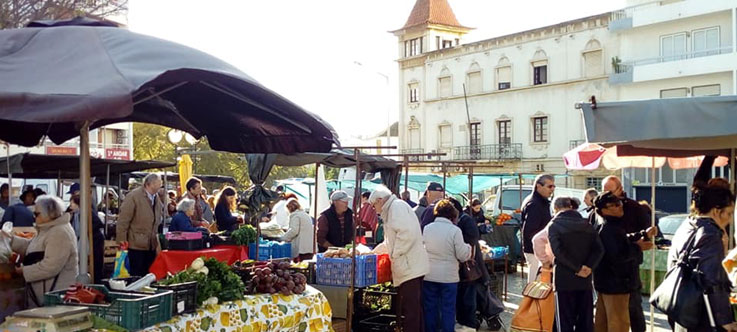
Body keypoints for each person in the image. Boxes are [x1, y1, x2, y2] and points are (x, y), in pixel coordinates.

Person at [667, 182, 737, 332]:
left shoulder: (688, 224)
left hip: (683, 309)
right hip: (701, 314)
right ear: (717, 211)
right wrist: (724, 319)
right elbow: (711, 279)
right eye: (729, 213)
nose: (730, 220)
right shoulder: (710, 234)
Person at [369, 185, 429, 332]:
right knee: (413, 308)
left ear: (380, 200)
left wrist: (395, 255)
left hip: (409, 267)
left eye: (373, 204)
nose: (373, 208)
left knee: (411, 310)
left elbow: (406, 234)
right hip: (409, 266)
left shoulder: (396, 208)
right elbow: (390, 242)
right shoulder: (393, 209)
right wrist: (372, 253)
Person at [592, 191, 651, 332]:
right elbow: (617, 255)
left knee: (604, 323)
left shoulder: (610, 225)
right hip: (616, 284)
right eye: (614, 205)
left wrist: (642, 234)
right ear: (604, 210)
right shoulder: (609, 228)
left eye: (619, 203)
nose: (620, 207)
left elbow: (622, 241)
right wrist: (638, 247)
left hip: (609, 283)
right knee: (618, 324)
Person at [6, 195, 78, 307]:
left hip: (55, 298)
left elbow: (50, 266)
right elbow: (32, 246)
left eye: (37, 214)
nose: (34, 217)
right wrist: (10, 240)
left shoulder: (60, 232)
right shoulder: (48, 229)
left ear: (49, 214)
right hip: (44, 295)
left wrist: (23, 271)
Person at [547, 196, 604, 332]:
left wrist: (577, 268)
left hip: (564, 280)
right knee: (585, 320)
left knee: (564, 320)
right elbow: (599, 249)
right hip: (585, 280)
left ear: (555, 209)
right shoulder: (587, 224)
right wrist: (589, 267)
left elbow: (558, 252)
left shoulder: (554, 225)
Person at [422, 199, 472, 332]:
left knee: (430, 308)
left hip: (429, 274)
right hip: (448, 277)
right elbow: (462, 255)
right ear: (452, 214)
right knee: (448, 309)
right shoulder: (455, 231)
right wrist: (468, 248)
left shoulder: (427, 229)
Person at [448, 197, 491, 331]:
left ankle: (469, 325)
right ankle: (463, 323)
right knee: (462, 297)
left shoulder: (465, 220)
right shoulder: (460, 220)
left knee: (467, 298)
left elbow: (472, 243)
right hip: (461, 267)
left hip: (469, 267)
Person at [116, 173, 163, 277]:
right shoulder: (134, 196)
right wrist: (122, 241)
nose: (161, 184)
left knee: (148, 274)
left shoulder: (156, 198)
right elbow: (123, 220)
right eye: (159, 182)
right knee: (136, 274)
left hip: (151, 244)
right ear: (151, 184)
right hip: (136, 244)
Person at [521, 174, 554, 283]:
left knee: (539, 281)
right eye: (549, 186)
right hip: (535, 249)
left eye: (554, 186)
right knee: (535, 282)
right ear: (539, 186)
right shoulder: (534, 204)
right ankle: (530, 300)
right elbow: (529, 230)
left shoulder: (541, 202)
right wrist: (539, 247)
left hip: (539, 247)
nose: (552, 189)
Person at [67, 192, 105, 284]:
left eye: (72, 203)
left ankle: (96, 282)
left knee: (96, 264)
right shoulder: (73, 214)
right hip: (83, 241)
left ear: (78, 204)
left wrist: (86, 230)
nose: (70, 205)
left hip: (94, 241)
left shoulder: (87, 212)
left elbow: (99, 223)